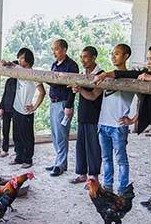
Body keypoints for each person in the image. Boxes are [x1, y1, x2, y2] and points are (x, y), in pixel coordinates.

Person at [94, 43, 151, 214]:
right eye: (147, 59)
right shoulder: (144, 74)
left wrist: (150, 79)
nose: (148, 62)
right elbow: (125, 73)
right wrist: (105, 74)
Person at [96, 44, 136, 194]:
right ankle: (107, 186)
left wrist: (133, 119)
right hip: (103, 124)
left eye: (117, 54)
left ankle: (122, 189)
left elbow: (143, 99)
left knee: (121, 160)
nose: (113, 56)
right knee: (106, 158)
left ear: (126, 56)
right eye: (112, 54)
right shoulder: (107, 77)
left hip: (118, 126)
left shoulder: (132, 77)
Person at [1, 48, 46, 168]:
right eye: (19, 57)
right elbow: (10, 64)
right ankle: (19, 157)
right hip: (16, 108)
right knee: (16, 135)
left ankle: (28, 160)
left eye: (22, 57)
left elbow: (42, 92)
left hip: (26, 111)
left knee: (27, 137)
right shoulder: (19, 69)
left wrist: (34, 107)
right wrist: (6, 63)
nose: (19, 60)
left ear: (28, 59)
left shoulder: (34, 74)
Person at [69, 46, 104, 185]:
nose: (82, 60)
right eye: (81, 57)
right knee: (81, 146)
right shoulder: (83, 74)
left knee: (93, 147)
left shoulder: (101, 74)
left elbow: (93, 95)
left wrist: (80, 89)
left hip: (94, 116)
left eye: (85, 57)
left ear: (94, 57)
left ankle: (94, 177)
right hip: (83, 114)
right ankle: (82, 174)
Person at [46, 39, 79, 177]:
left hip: (64, 103)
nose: (54, 52)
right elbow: (53, 82)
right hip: (53, 102)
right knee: (54, 134)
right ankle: (60, 162)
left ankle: (60, 164)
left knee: (61, 135)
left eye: (57, 49)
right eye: (53, 49)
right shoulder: (54, 64)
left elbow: (73, 87)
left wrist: (69, 106)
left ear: (65, 49)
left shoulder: (71, 65)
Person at [0, 76, 17, 158]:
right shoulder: (9, 80)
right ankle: (5, 150)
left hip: (16, 109)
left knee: (16, 131)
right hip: (6, 109)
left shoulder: (21, 80)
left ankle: (17, 150)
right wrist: (1, 107)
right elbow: (5, 94)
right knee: (5, 131)